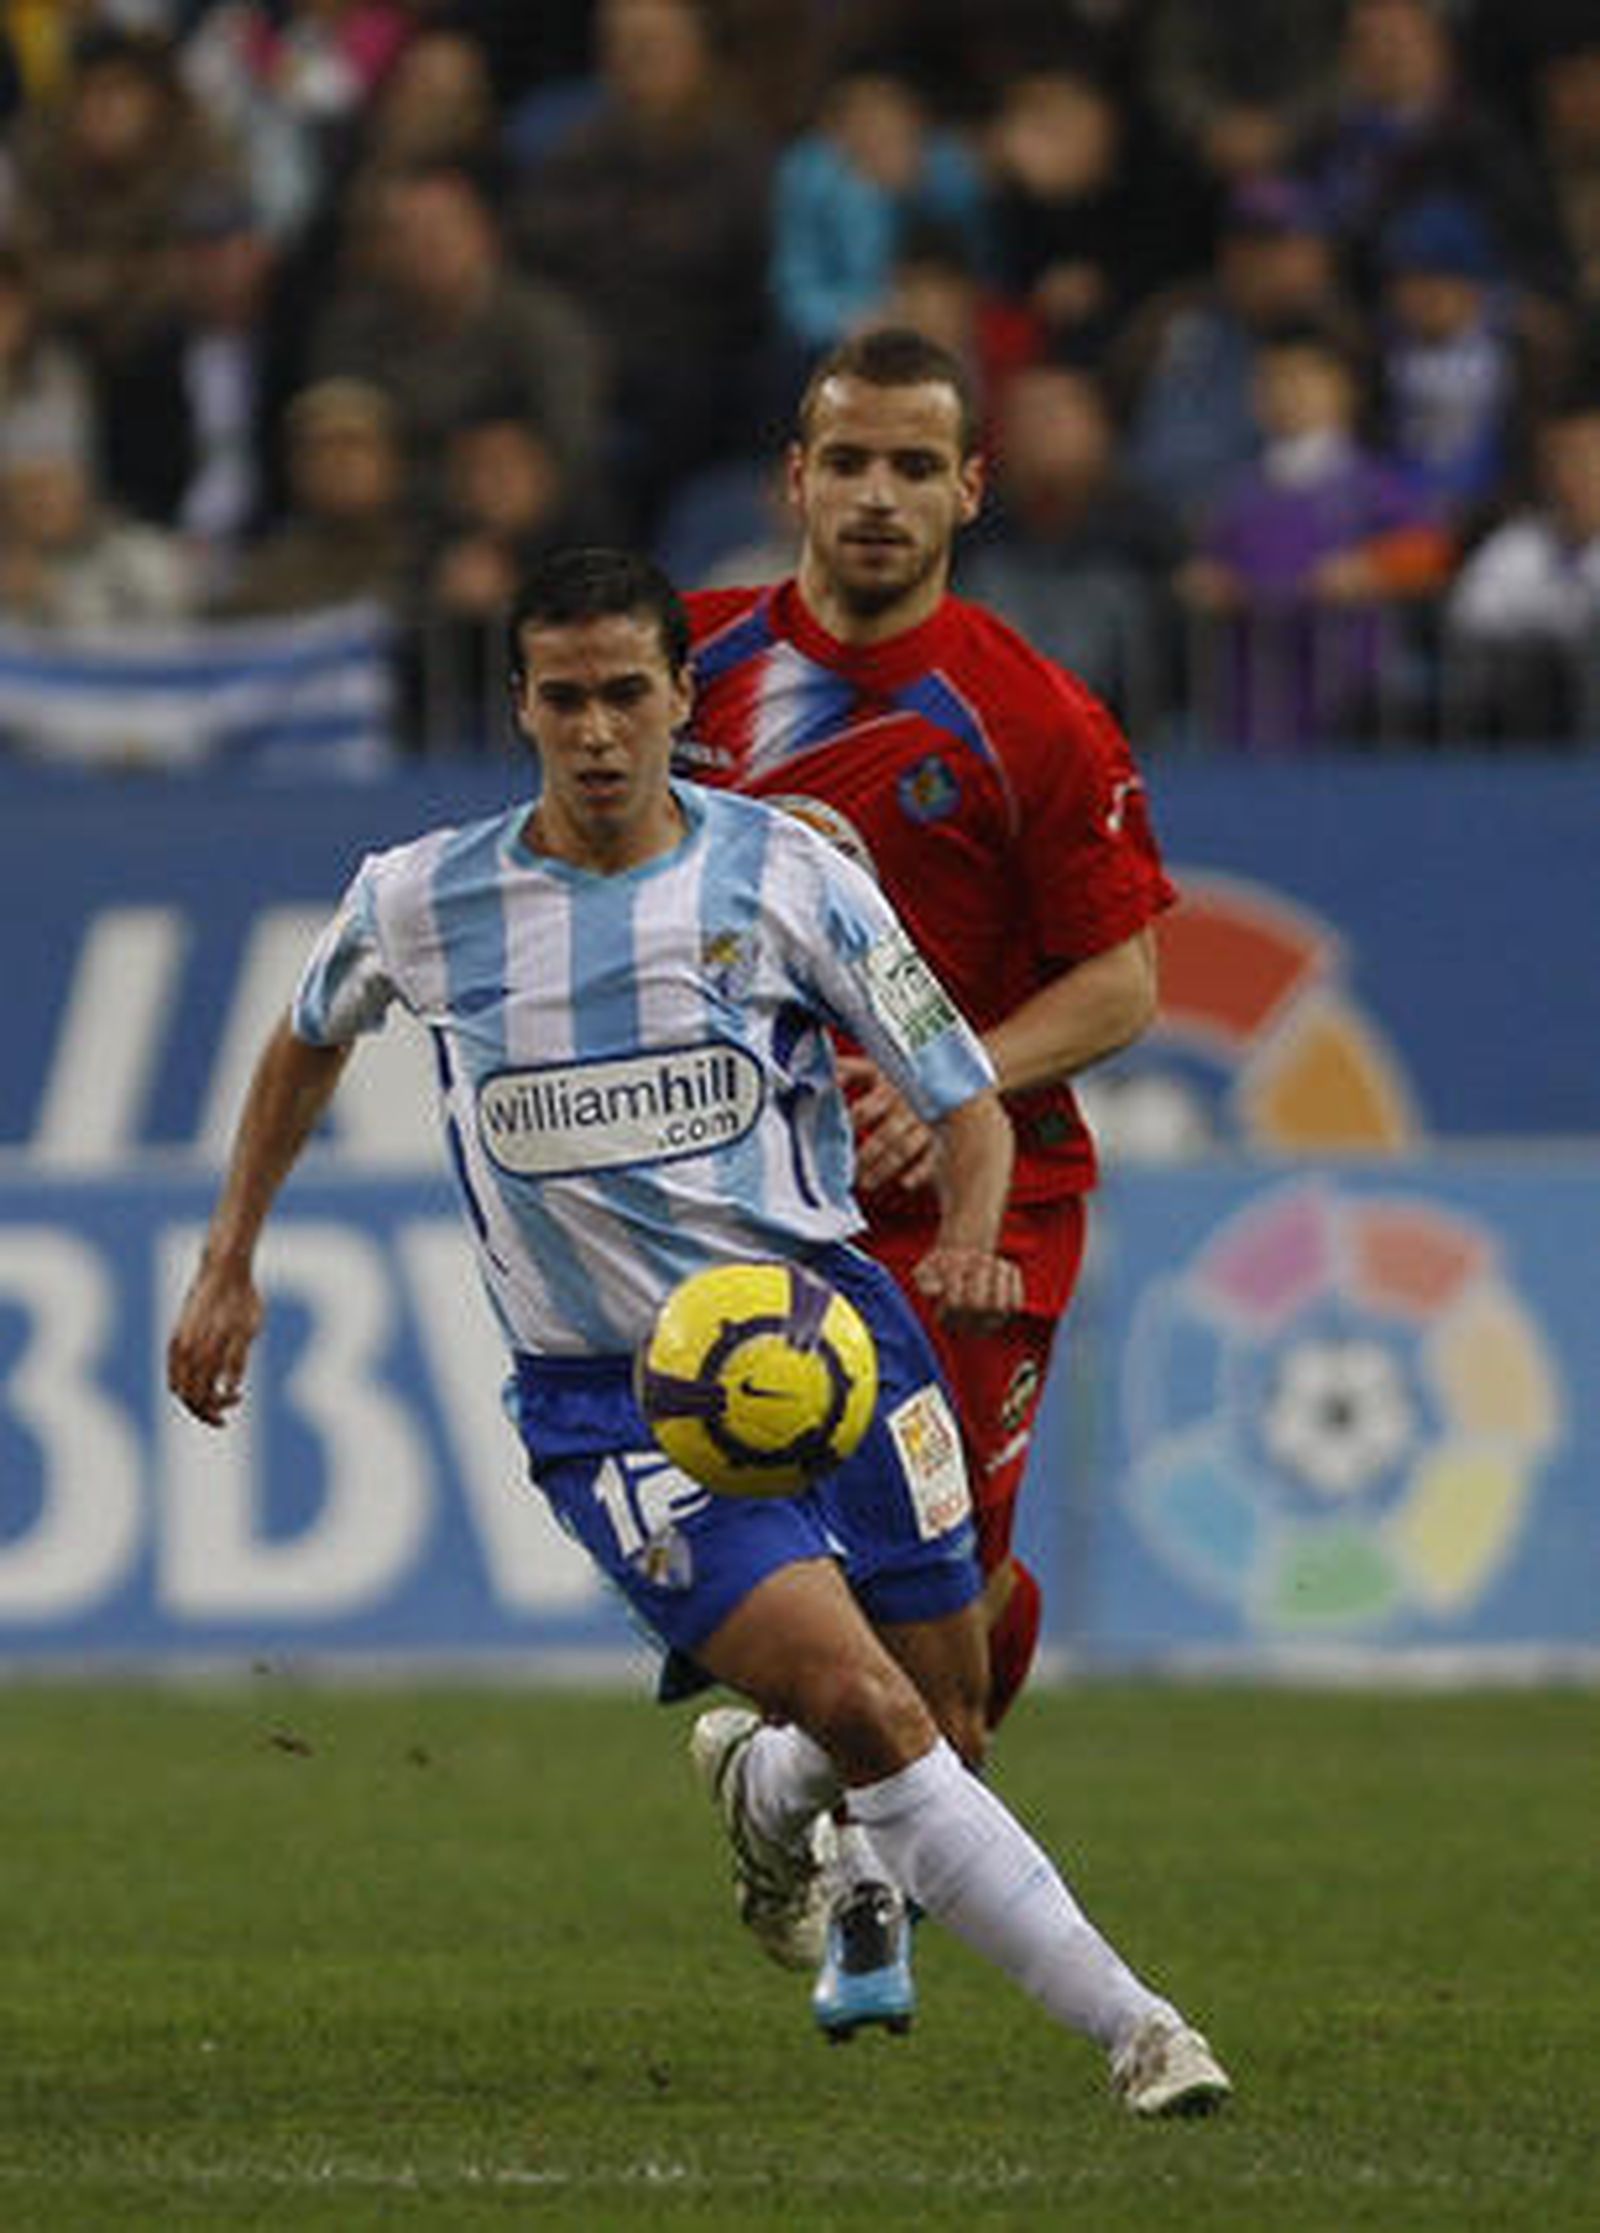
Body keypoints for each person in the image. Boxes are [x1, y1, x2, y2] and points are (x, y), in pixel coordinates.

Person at [166, 544, 1231, 2116]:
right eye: (563, 698)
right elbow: (304, 1038)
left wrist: (967, 1242)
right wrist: (229, 1257)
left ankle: (764, 1779)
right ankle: (1143, 2030)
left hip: (840, 1336)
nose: (597, 733)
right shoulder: (422, 896)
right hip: (620, 1406)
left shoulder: (787, 874)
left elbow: (962, 1091)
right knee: (870, 1702)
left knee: (941, 1711)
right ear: (520, 704)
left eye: (626, 695)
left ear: (683, 696)